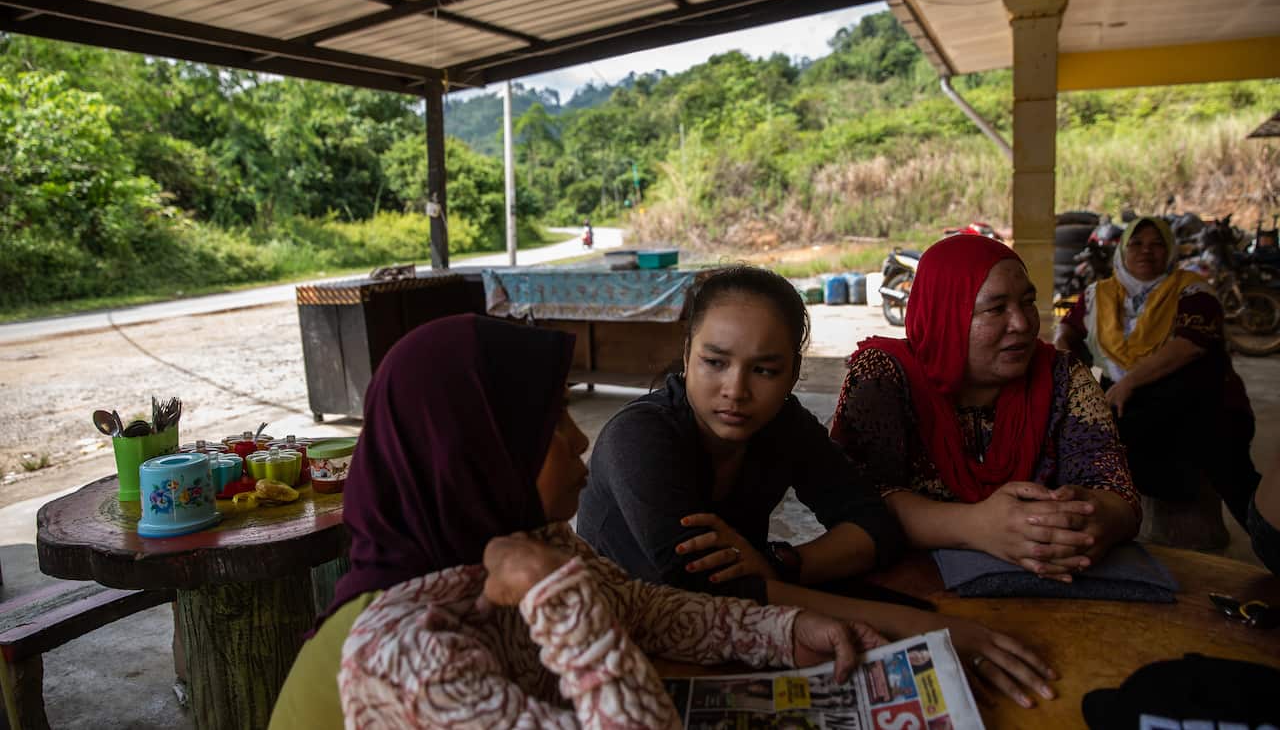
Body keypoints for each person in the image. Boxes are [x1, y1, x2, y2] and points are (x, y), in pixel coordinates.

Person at [270, 314, 879, 729]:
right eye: (551, 424)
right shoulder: (404, 650)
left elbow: (640, 610)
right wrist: (553, 594)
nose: (580, 439)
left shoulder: (517, 544)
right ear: (476, 454)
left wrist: (786, 631)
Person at [580, 265, 1061, 709]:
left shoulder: (783, 426)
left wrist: (779, 562)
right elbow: (703, 591)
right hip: (626, 644)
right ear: (687, 355)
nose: (736, 390)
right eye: (715, 362)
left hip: (751, 628)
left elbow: (872, 523)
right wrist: (929, 629)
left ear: (793, 373)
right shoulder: (639, 439)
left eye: (765, 370)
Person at [831, 234, 1141, 584]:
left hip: (1046, 583)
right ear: (945, 315)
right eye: (996, 309)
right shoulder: (885, 377)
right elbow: (854, 497)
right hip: (910, 588)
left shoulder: (1064, 377)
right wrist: (976, 526)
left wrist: (1092, 521)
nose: (1022, 323)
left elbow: (1117, 492)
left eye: (1027, 302)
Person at [1055, 216, 1260, 528]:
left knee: (1228, 467)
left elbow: (1190, 345)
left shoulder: (1191, 290)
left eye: (1156, 245)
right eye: (1136, 244)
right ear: (1122, 250)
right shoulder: (1100, 294)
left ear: (1170, 251)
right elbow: (1067, 330)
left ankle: (1268, 535)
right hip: (1136, 406)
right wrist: (1066, 364)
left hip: (1201, 405)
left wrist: (1129, 383)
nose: (1145, 252)